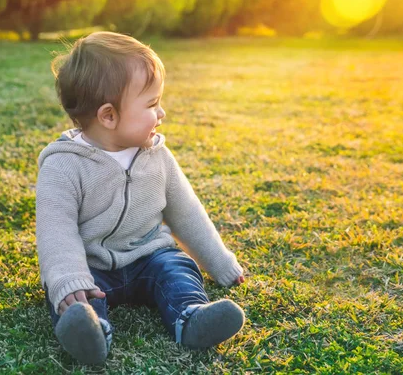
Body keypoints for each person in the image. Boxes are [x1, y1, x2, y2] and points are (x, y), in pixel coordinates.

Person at [36, 31, 246, 366]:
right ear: (108, 116)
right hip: (91, 265)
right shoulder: (62, 165)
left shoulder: (157, 156)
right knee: (73, 297)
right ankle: (91, 332)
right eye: (151, 104)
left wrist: (220, 263)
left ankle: (190, 318)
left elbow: (187, 211)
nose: (161, 113)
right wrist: (67, 279)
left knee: (176, 268)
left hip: (150, 256)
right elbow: (55, 231)